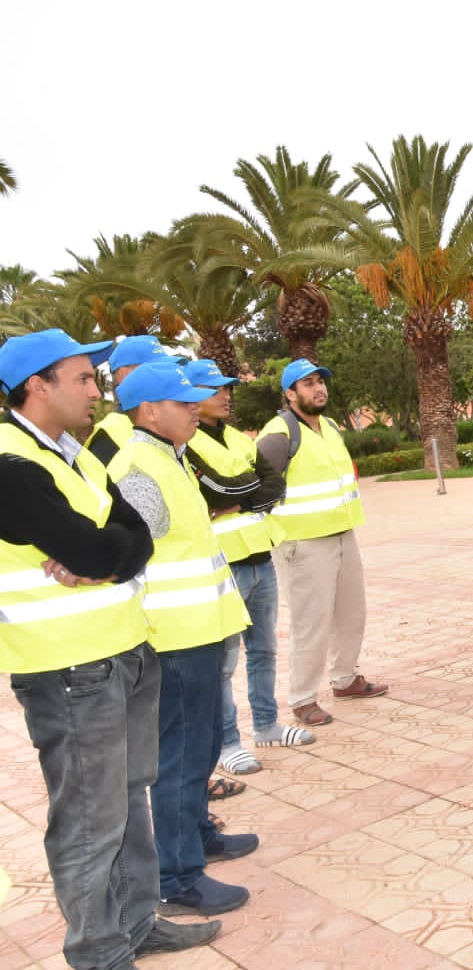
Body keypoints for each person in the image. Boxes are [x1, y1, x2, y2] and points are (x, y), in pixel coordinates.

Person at [0, 330, 221, 968]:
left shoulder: (76, 454)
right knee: (88, 817)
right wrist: (104, 553)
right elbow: (97, 548)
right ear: (37, 386)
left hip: (123, 649)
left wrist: (105, 555)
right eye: (82, 379)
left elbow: (132, 538)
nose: (98, 390)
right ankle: (97, 950)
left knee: (127, 798)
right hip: (67, 667)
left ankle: (135, 922)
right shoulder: (11, 464)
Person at [107, 362, 260, 917]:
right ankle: (177, 877)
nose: (196, 407)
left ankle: (198, 833)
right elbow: (125, 552)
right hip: (172, 638)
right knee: (180, 754)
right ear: (149, 411)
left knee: (203, 745)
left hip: (201, 629)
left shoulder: (168, 456)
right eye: (183, 402)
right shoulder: (137, 469)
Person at [181, 359, 309, 778]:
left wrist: (237, 499)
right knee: (223, 663)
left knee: (264, 649)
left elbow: (275, 485)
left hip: (260, 557)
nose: (226, 395)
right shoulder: (187, 443)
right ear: (190, 396)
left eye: (228, 388)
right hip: (224, 566)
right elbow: (216, 492)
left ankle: (267, 726)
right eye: (215, 388)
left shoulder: (239, 438)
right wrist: (242, 495)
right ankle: (228, 744)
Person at [257, 358, 387, 728]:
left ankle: (345, 679)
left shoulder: (328, 426)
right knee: (310, 622)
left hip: (343, 533)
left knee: (351, 613)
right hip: (303, 544)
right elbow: (258, 488)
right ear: (290, 393)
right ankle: (302, 699)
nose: (319, 389)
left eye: (320, 381)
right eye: (309, 383)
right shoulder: (279, 433)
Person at [86, 333, 173, 466]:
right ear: (124, 374)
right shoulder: (108, 436)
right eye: (155, 369)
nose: (167, 376)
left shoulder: (171, 420)